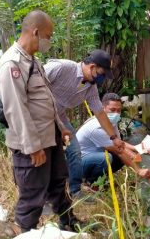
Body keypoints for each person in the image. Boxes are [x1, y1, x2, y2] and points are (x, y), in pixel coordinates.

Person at [0, 10, 81, 232]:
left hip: (48, 137)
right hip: (31, 144)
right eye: (48, 36)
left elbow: (47, 101)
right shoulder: (12, 64)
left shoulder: (33, 61)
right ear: (35, 32)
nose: (49, 41)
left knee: (58, 183)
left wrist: (61, 129)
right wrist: (32, 147)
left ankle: (68, 223)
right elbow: (16, 110)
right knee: (33, 193)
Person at [43, 50, 126, 198]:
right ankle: (44, 194)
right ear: (92, 66)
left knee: (74, 149)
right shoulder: (63, 67)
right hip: (39, 115)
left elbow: (100, 113)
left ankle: (74, 190)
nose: (102, 79)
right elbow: (33, 81)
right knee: (45, 153)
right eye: (101, 74)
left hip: (59, 117)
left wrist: (114, 137)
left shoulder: (91, 88)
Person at [76, 93, 150, 184]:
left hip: (92, 156)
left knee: (121, 157)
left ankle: (103, 178)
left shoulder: (111, 122)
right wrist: (138, 170)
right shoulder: (97, 127)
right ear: (103, 108)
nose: (116, 114)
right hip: (78, 164)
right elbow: (119, 151)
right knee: (106, 158)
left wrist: (139, 148)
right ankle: (91, 182)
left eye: (119, 110)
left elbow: (119, 143)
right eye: (112, 110)